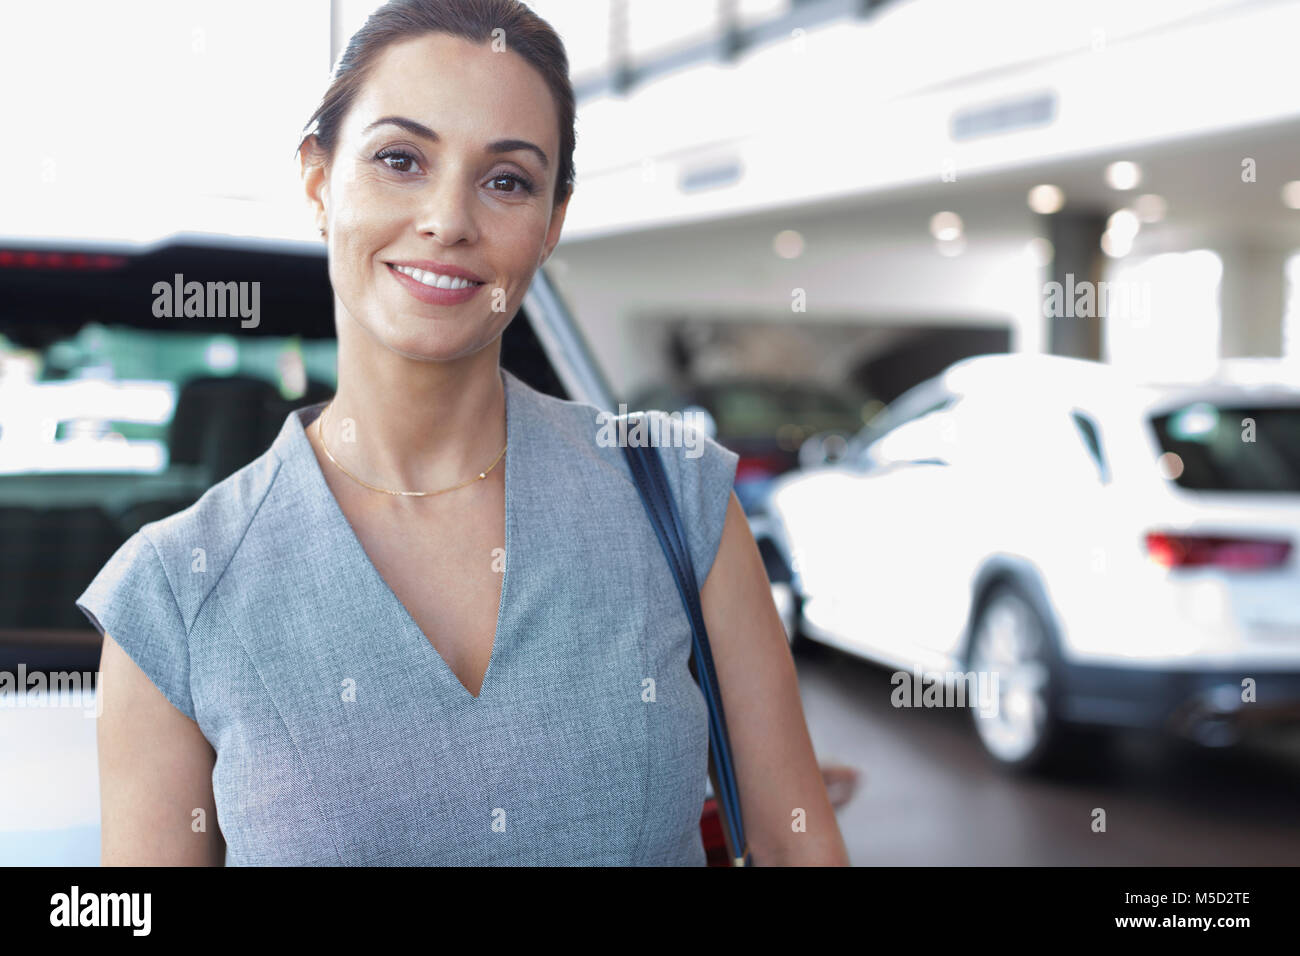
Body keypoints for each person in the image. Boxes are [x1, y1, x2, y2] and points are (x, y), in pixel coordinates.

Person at [79, 0, 849, 866]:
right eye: (400, 159)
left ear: (551, 223)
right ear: (317, 183)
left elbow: (797, 849)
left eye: (508, 179)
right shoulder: (173, 596)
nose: (449, 219)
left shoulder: (673, 493)